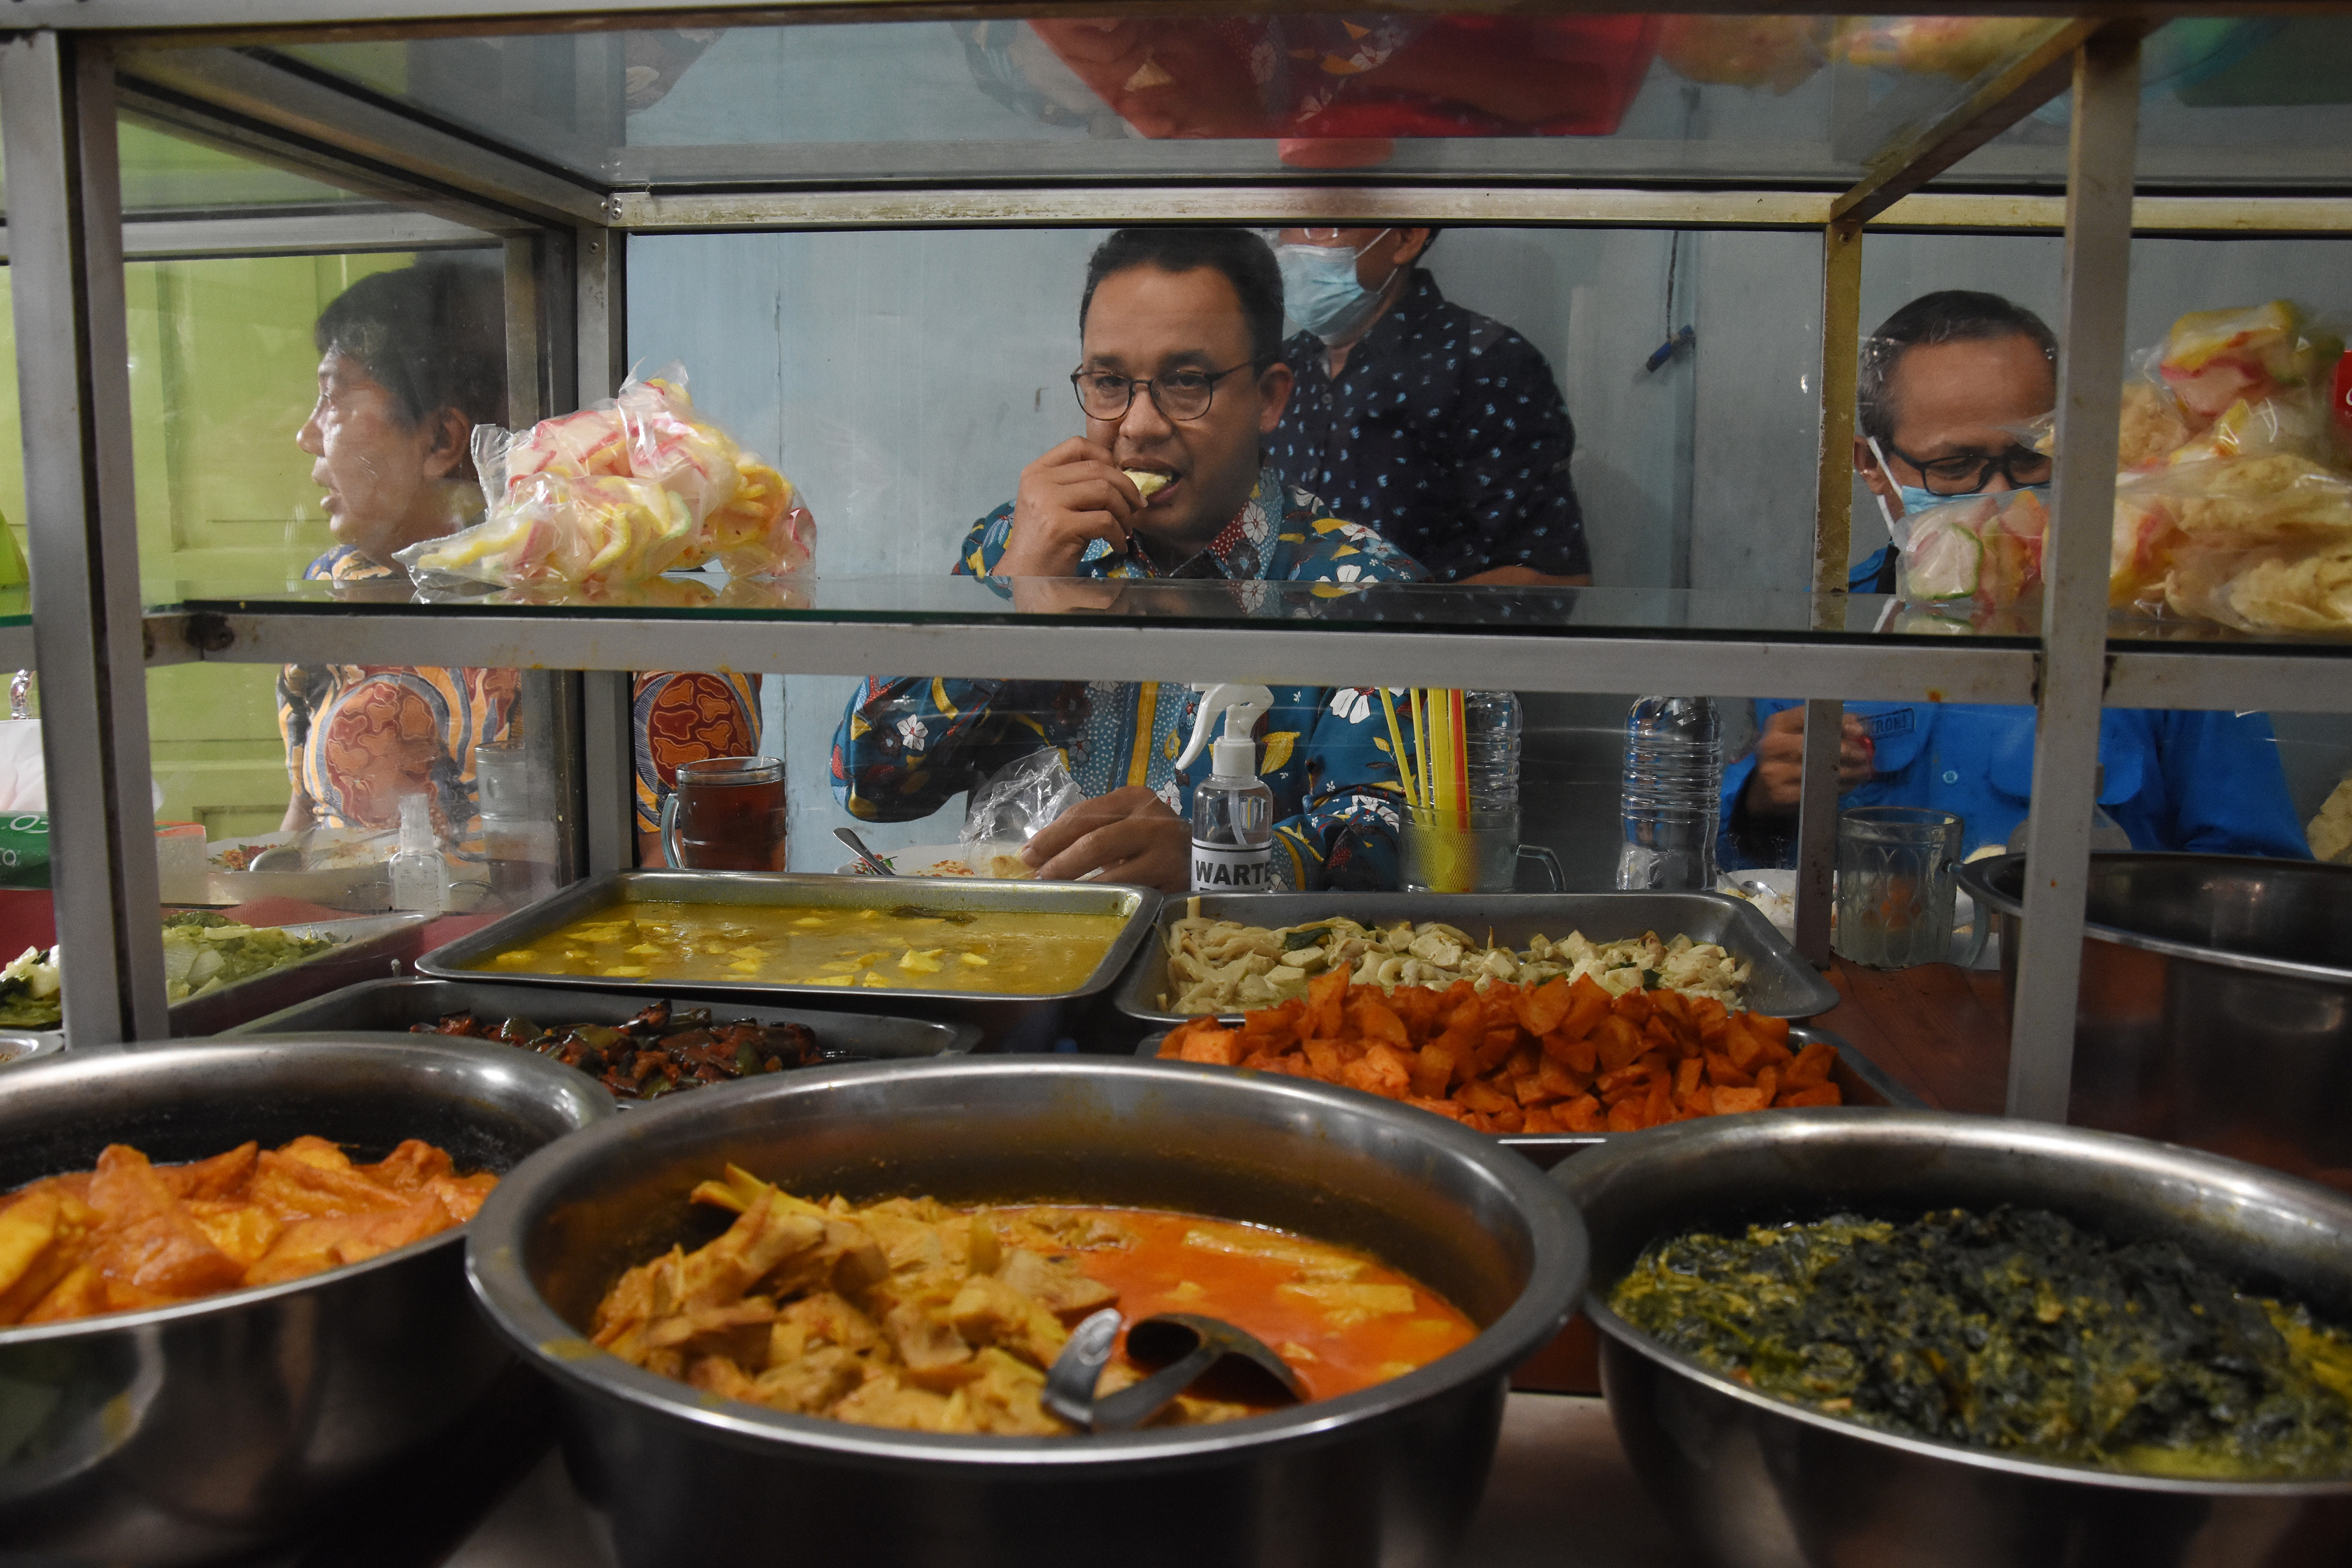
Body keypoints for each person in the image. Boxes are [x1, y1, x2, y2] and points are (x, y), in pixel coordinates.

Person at [833, 227, 1427, 893]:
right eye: (1110, 382)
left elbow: (1390, 846)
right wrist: (1017, 610)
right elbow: (866, 788)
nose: (1138, 425)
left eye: (1185, 382)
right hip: (1016, 964)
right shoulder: (1019, 542)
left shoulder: (1361, 589)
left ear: (1269, 398)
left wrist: (1216, 861)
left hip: (1234, 984)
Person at [1721, 289, 2309, 867]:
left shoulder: (2165, 629)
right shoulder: (1821, 631)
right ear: (1872, 466)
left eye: (2031, 457)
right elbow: (1736, 873)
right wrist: (1762, 804)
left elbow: (2253, 865)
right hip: (1868, 959)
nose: (2003, 496)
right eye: (1955, 466)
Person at [281, 261, 759, 862]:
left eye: (333, 399)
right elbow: (302, 828)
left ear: (441, 440)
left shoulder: (645, 621)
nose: (306, 435)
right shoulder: (336, 584)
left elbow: (688, 889)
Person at [1262, 227, 1591, 586]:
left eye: (1317, 227)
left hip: (1426, 639)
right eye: (1281, 226)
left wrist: (1390, 623)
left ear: (1405, 238)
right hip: (1270, 637)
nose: (1289, 246)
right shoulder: (1279, 367)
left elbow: (1555, 577)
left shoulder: (1484, 363)